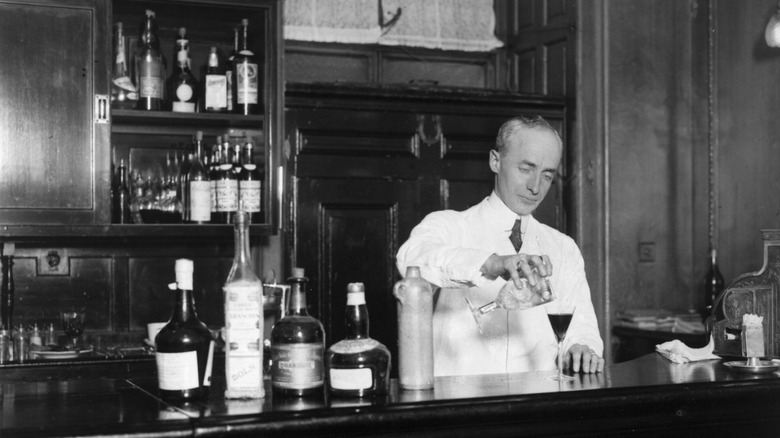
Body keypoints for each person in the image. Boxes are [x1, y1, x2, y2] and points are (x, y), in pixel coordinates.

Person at [396, 115, 604, 377]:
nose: (535, 187)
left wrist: (582, 347)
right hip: (460, 405)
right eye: (526, 169)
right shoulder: (449, 226)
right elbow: (410, 260)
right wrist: (492, 263)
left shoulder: (563, 248)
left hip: (539, 403)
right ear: (495, 161)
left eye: (547, 175)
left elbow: (581, 327)